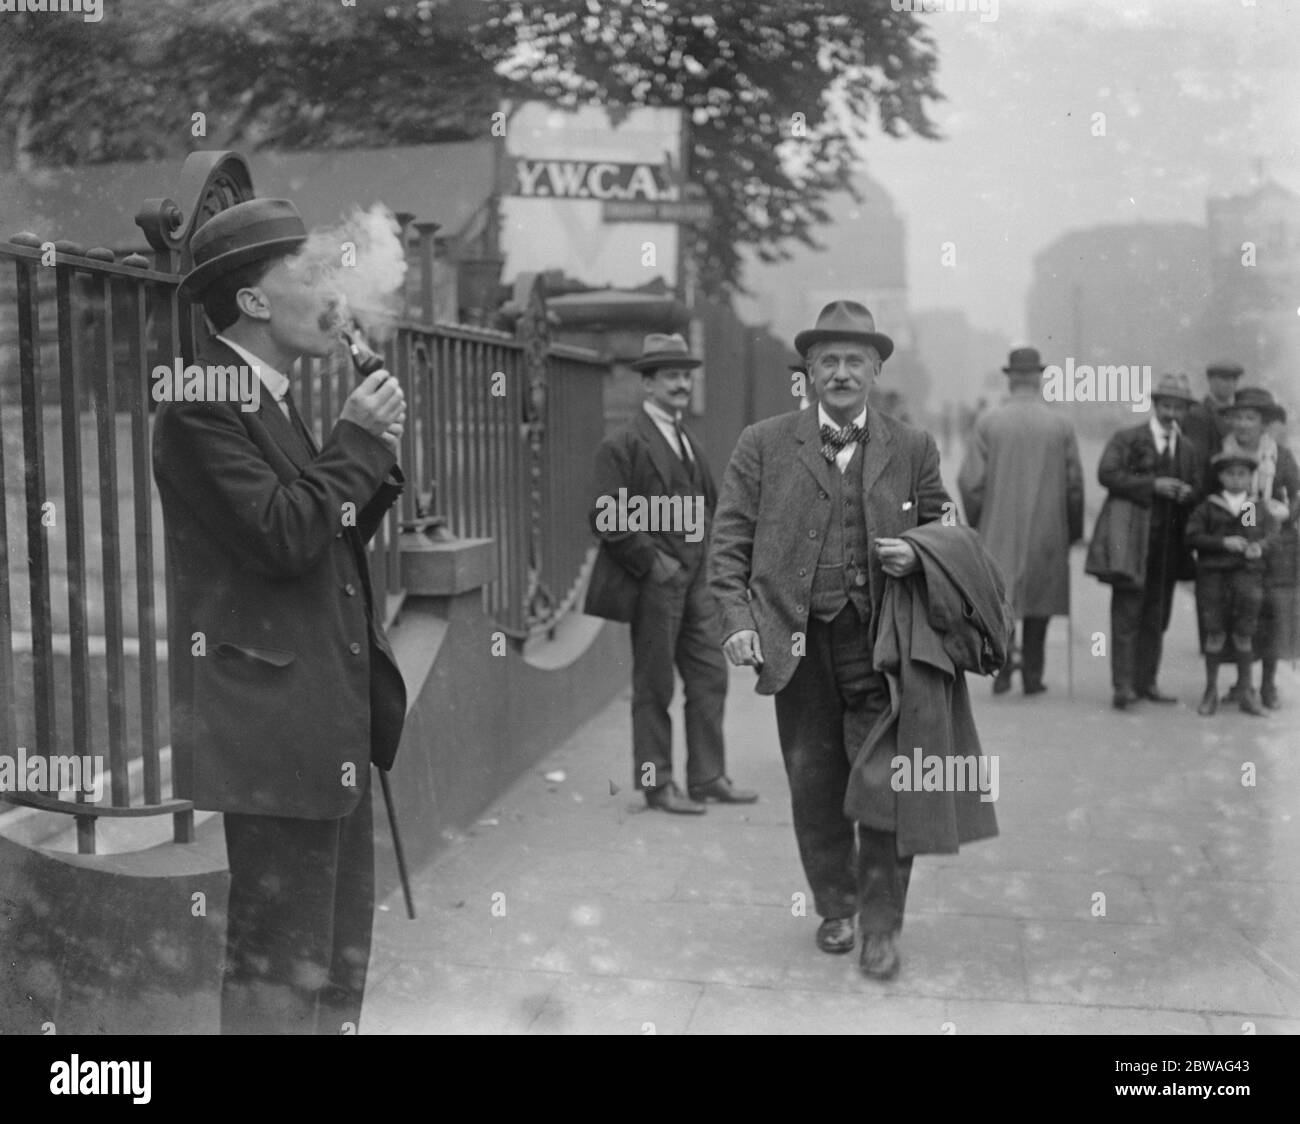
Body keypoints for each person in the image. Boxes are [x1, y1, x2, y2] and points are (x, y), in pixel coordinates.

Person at [154, 198, 409, 1034]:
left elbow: (321, 539)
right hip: (272, 729)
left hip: (322, 720)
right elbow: (280, 537)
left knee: (337, 957)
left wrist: (371, 470)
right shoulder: (200, 400)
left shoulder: (272, 396)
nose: (334, 293)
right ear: (254, 301)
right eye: (309, 273)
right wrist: (357, 445)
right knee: (280, 958)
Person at [709, 301, 999, 981]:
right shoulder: (763, 443)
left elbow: (949, 535)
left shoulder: (914, 447)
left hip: (884, 646)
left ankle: (880, 926)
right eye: (828, 361)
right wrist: (740, 625)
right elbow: (727, 548)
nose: (841, 373)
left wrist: (918, 556)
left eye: (854, 362)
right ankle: (834, 906)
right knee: (815, 784)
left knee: (889, 788)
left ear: (875, 371)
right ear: (809, 372)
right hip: (797, 646)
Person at [583, 333, 757, 813]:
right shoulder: (624, 444)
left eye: (685, 375)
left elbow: (710, 505)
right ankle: (656, 782)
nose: (682, 384)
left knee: (709, 677)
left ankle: (707, 776)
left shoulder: (686, 439)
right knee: (654, 685)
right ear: (648, 384)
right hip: (657, 585)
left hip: (697, 582)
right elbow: (605, 515)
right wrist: (654, 564)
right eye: (671, 376)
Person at [958, 346, 1084, 695]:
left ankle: (1001, 668)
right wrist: (1071, 530)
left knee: (1003, 598)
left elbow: (970, 482)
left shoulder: (988, 422)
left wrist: (981, 522)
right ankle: (1033, 674)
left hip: (998, 525)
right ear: (1039, 379)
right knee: (1040, 598)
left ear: (1010, 379)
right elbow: (1074, 485)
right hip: (1048, 527)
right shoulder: (1060, 424)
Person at [1096, 373, 1203, 710]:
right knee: (1127, 611)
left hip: (1169, 545)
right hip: (1131, 538)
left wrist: (1188, 494)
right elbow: (1107, 474)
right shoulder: (1127, 438)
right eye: (1167, 405)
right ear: (1155, 405)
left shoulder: (1188, 449)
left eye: (1179, 408)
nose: (1172, 413)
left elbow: (1198, 487)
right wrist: (1153, 485)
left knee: (1158, 614)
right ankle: (1123, 685)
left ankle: (1148, 682)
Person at [1217, 387, 1299, 708]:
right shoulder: (1224, 454)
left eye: (1250, 417)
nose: (1243, 424)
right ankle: (1242, 683)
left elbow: (1296, 493)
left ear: (1263, 422)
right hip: (1238, 542)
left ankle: (1268, 685)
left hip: (1276, 545)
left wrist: (1285, 513)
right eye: (1238, 416)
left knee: (1272, 614)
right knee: (1239, 614)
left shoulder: (1279, 456)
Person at [1186, 450, 1274, 716]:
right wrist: (1223, 543)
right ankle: (1211, 690)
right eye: (1231, 474)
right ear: (1221, 477)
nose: (1237, 480)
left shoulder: (1251, 506)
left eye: (1243, 475)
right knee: (1215, 632)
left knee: (1244, 633)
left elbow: (1265, 535)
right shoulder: (1209, 507)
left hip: (1245, 577)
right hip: (1214, 576)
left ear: (1250, 478)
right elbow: (1193, 536)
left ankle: (1247, 692)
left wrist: (1257, 546)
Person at [1183, 361, 1243, 487]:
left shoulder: (1239, 413)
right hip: (1211, 485)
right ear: (1210, 381)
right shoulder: (1197, 414)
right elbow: (1198, 461)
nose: (1229, 384)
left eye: (1234, 380)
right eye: (1224, 379)